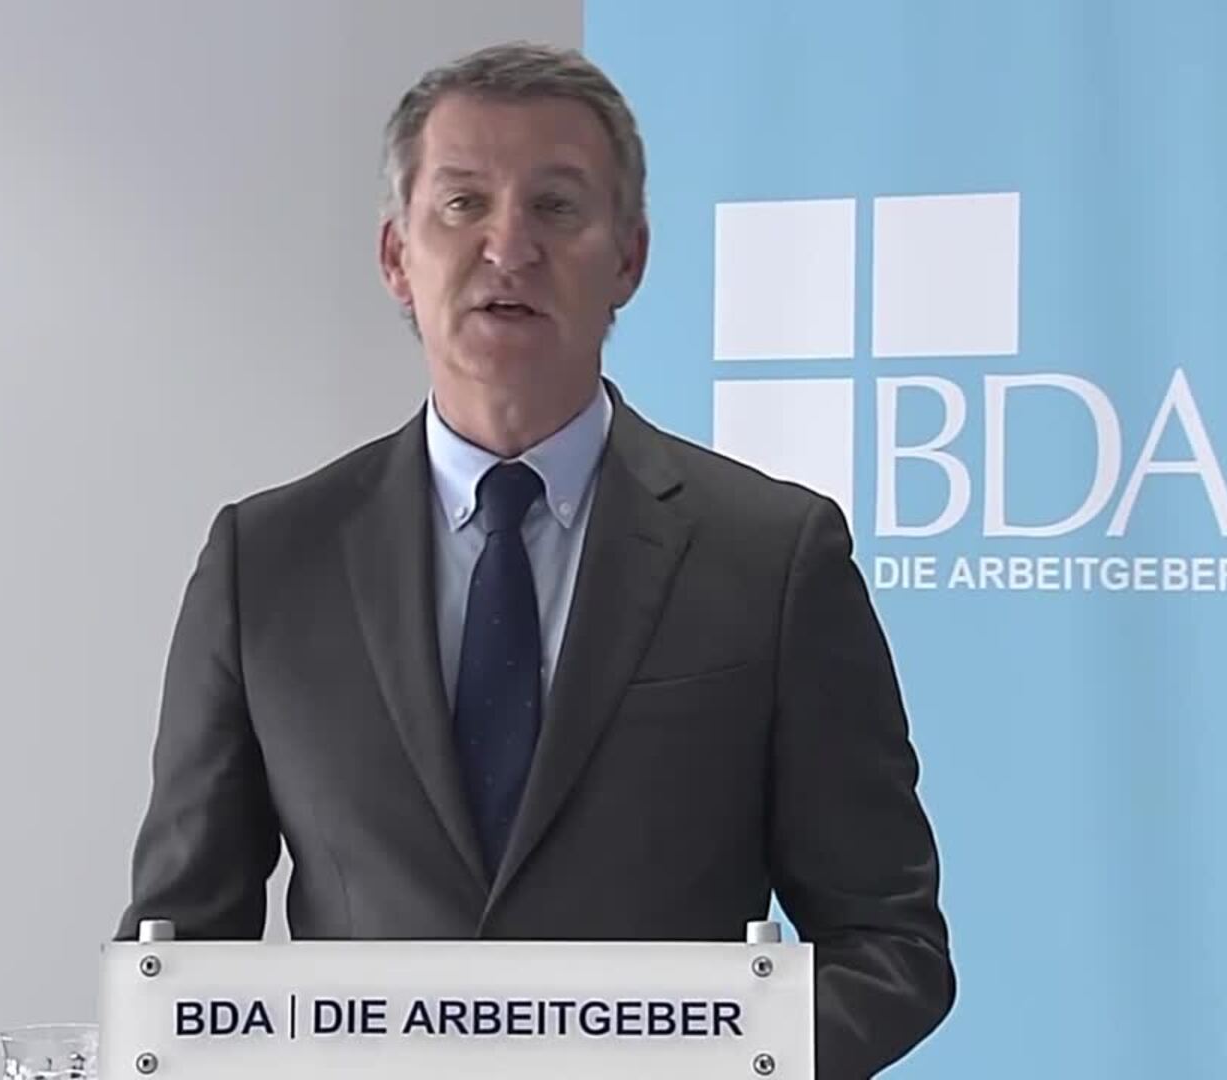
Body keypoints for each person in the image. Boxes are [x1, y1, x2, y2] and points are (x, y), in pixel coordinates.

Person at [116, 41, 954, 1078]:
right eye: (463, 204)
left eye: (557, 207)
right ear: (397, 257)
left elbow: (890, 949)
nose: (508, 246)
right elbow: (176, 959)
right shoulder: (266, 564)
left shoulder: (774, 557)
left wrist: (708, 1062)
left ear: (630, 259)